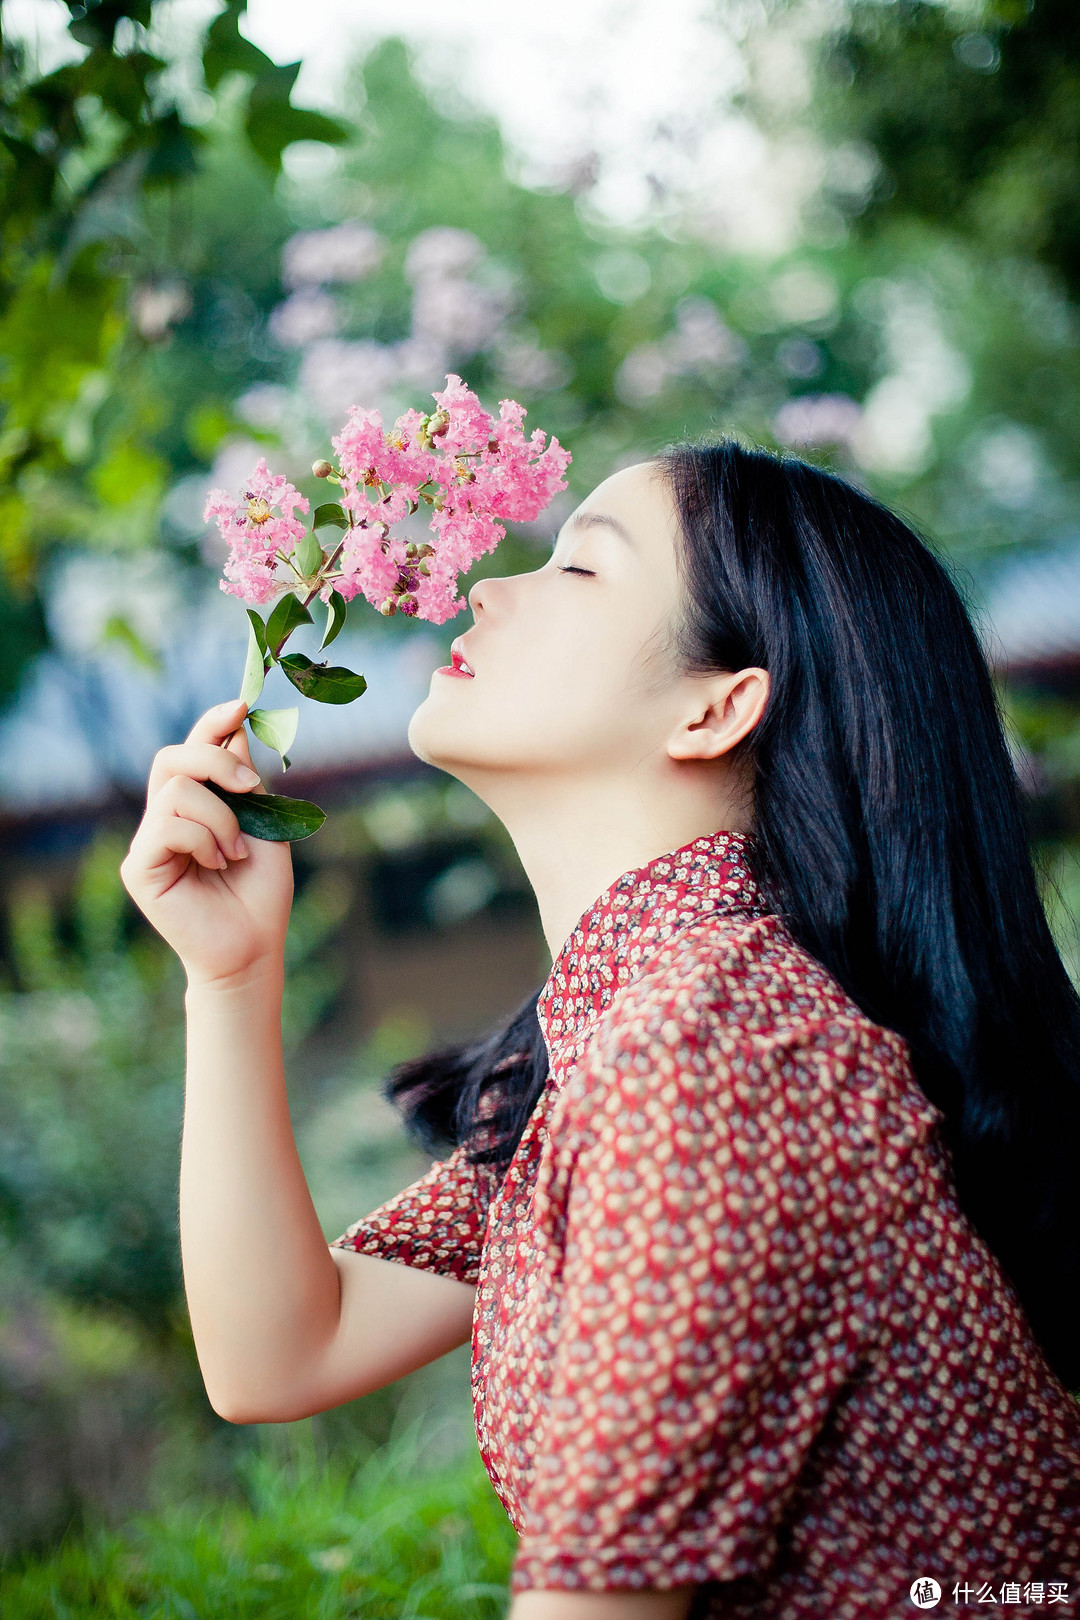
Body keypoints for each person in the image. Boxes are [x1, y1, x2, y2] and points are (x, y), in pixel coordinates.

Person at [120, 439, 1080, 1619]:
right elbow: (282, 1353)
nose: (485, 587)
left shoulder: (719, 1059)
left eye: (581, 567)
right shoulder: (619, 1041)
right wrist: (232, 979)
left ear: (716, 707)